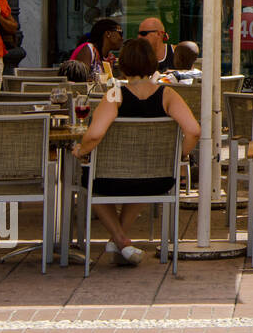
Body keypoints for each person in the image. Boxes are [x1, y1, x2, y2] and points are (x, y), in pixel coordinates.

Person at [71, 37, 200, 266]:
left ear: (124, 64)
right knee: (143, 174)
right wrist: (177, 157)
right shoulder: (168, 94)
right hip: (157, 179)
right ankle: (120, 241)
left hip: (110, 179)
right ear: (152, 63)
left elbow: (94, 134)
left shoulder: (114, 94)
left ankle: (120, 239)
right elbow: (193, 131)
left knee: (86, 180)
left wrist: (82, 150)